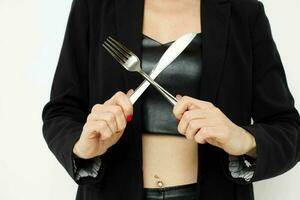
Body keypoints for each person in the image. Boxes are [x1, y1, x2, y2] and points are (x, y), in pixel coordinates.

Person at [41, 0, 300, 199]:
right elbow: (60, 112)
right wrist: (82, 148)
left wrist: (240, 138)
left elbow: (289, 130)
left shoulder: (243, 12)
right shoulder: (95, 7)